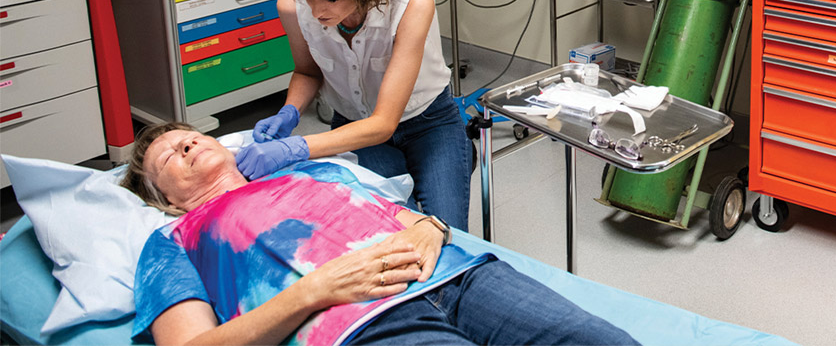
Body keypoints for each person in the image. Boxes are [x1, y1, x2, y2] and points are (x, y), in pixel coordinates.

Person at [121, 122, 637, 346]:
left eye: (190, 137)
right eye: (170, 155)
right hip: (356, 324)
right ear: (164, 199)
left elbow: (407, 218)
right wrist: (314, 291)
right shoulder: (171, 241)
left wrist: (433, 228)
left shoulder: (315, 173)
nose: (187, 146)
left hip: (458, 279)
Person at [235, 0, 473, 231]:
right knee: (381, 226)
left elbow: (384, 122)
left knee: (445, 232)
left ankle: (453, 154)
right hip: (353, 126)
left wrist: (297, 147)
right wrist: (289, 112)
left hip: (428, 124)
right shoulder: (293, 5)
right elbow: (307, 71)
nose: (317, 10)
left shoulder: (411, 0)